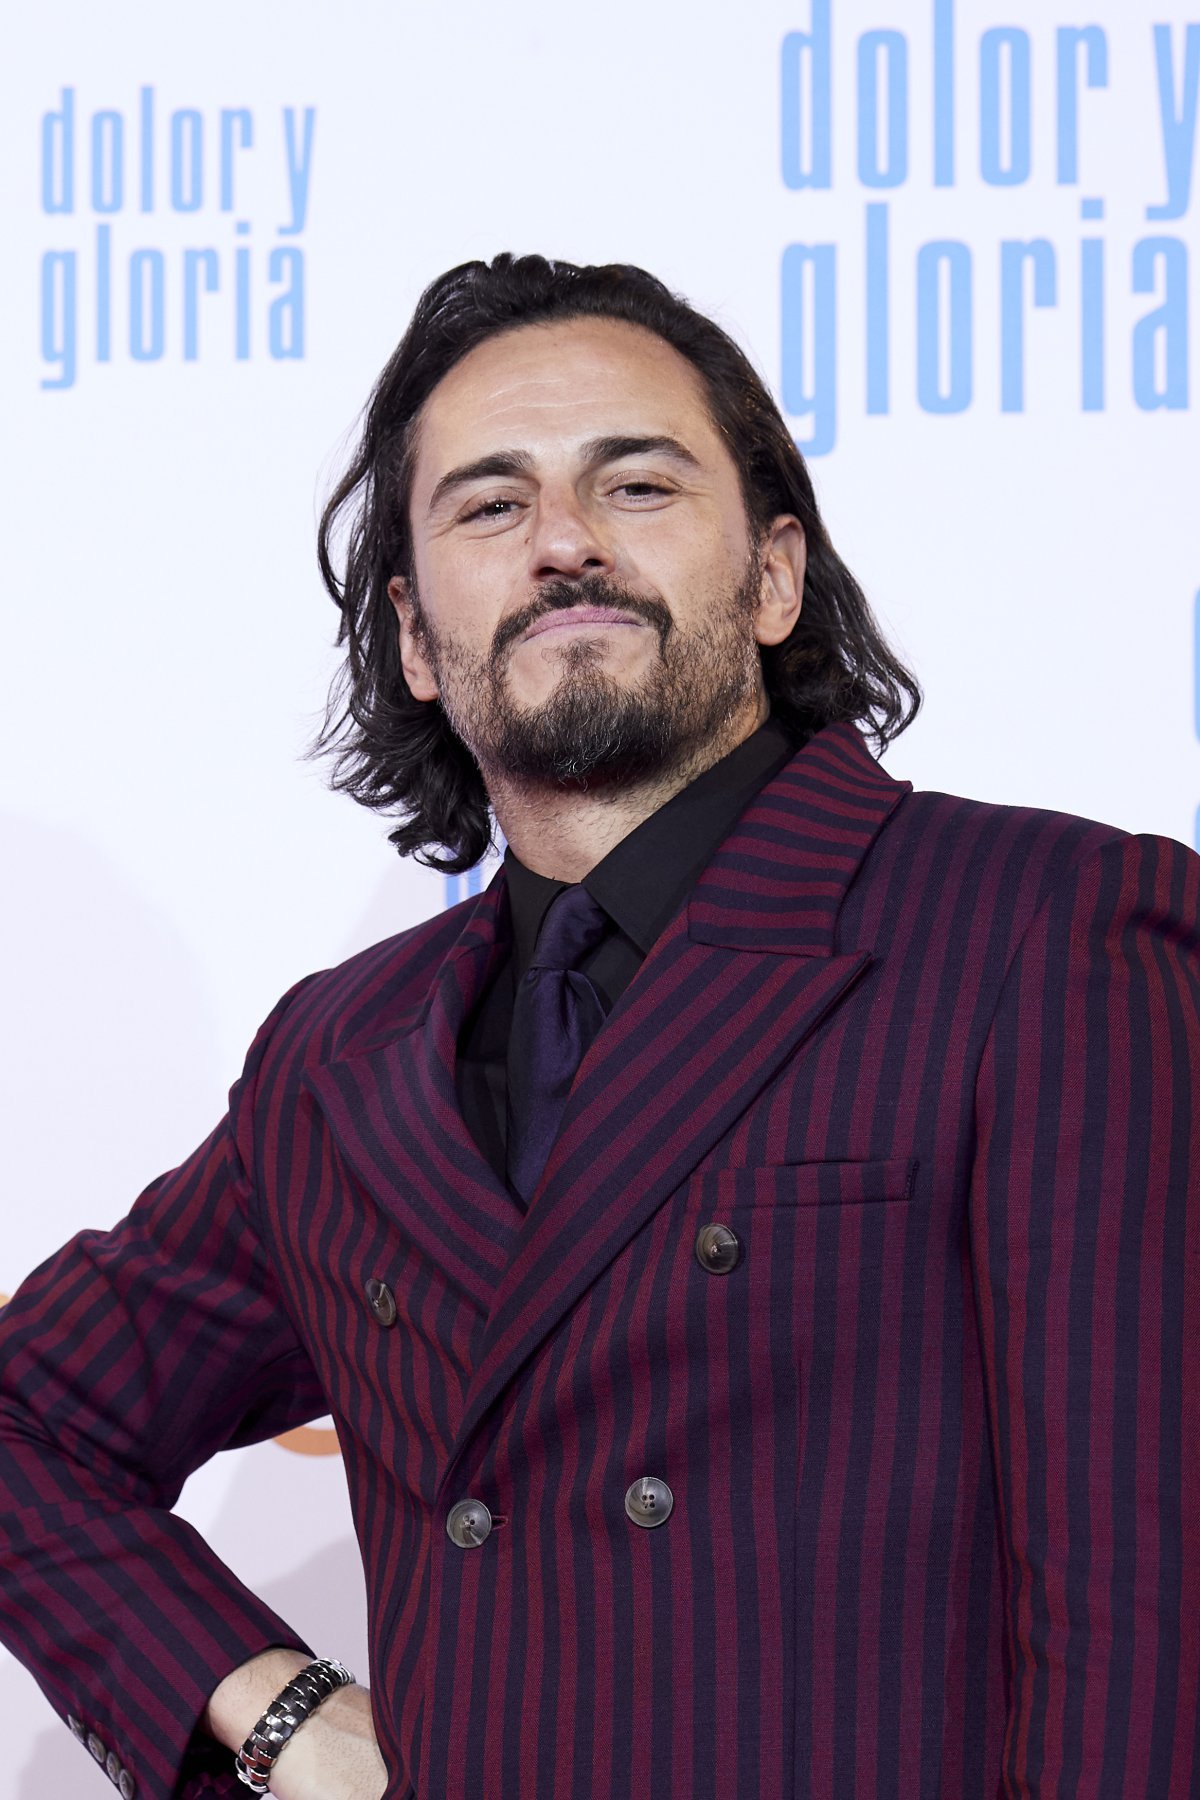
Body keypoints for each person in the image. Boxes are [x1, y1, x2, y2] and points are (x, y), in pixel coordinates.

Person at [0, 252, 1196, 1800]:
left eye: (636, 485)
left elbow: (1146, 1625)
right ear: (416, 635)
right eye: (490, 506)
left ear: (773, 577)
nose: (563, 541)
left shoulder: (1045, 927)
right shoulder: (338, 1063)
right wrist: (277, 1711)